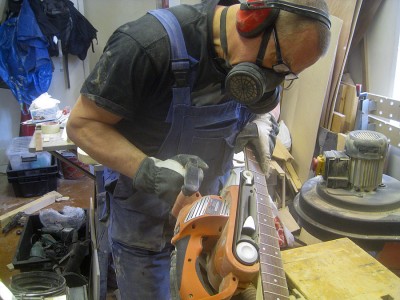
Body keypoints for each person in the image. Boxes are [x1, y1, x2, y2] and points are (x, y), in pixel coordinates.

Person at [66, 0, 331, 298]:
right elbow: (81, 124)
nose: (270, 84)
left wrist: (261, 119)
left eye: (287, 74)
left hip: (207, 215)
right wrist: (150, 170)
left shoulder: (258, 59)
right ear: (251, 20)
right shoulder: (147, 45)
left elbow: (267, 100)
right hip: (145, 220)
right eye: (277, 65)